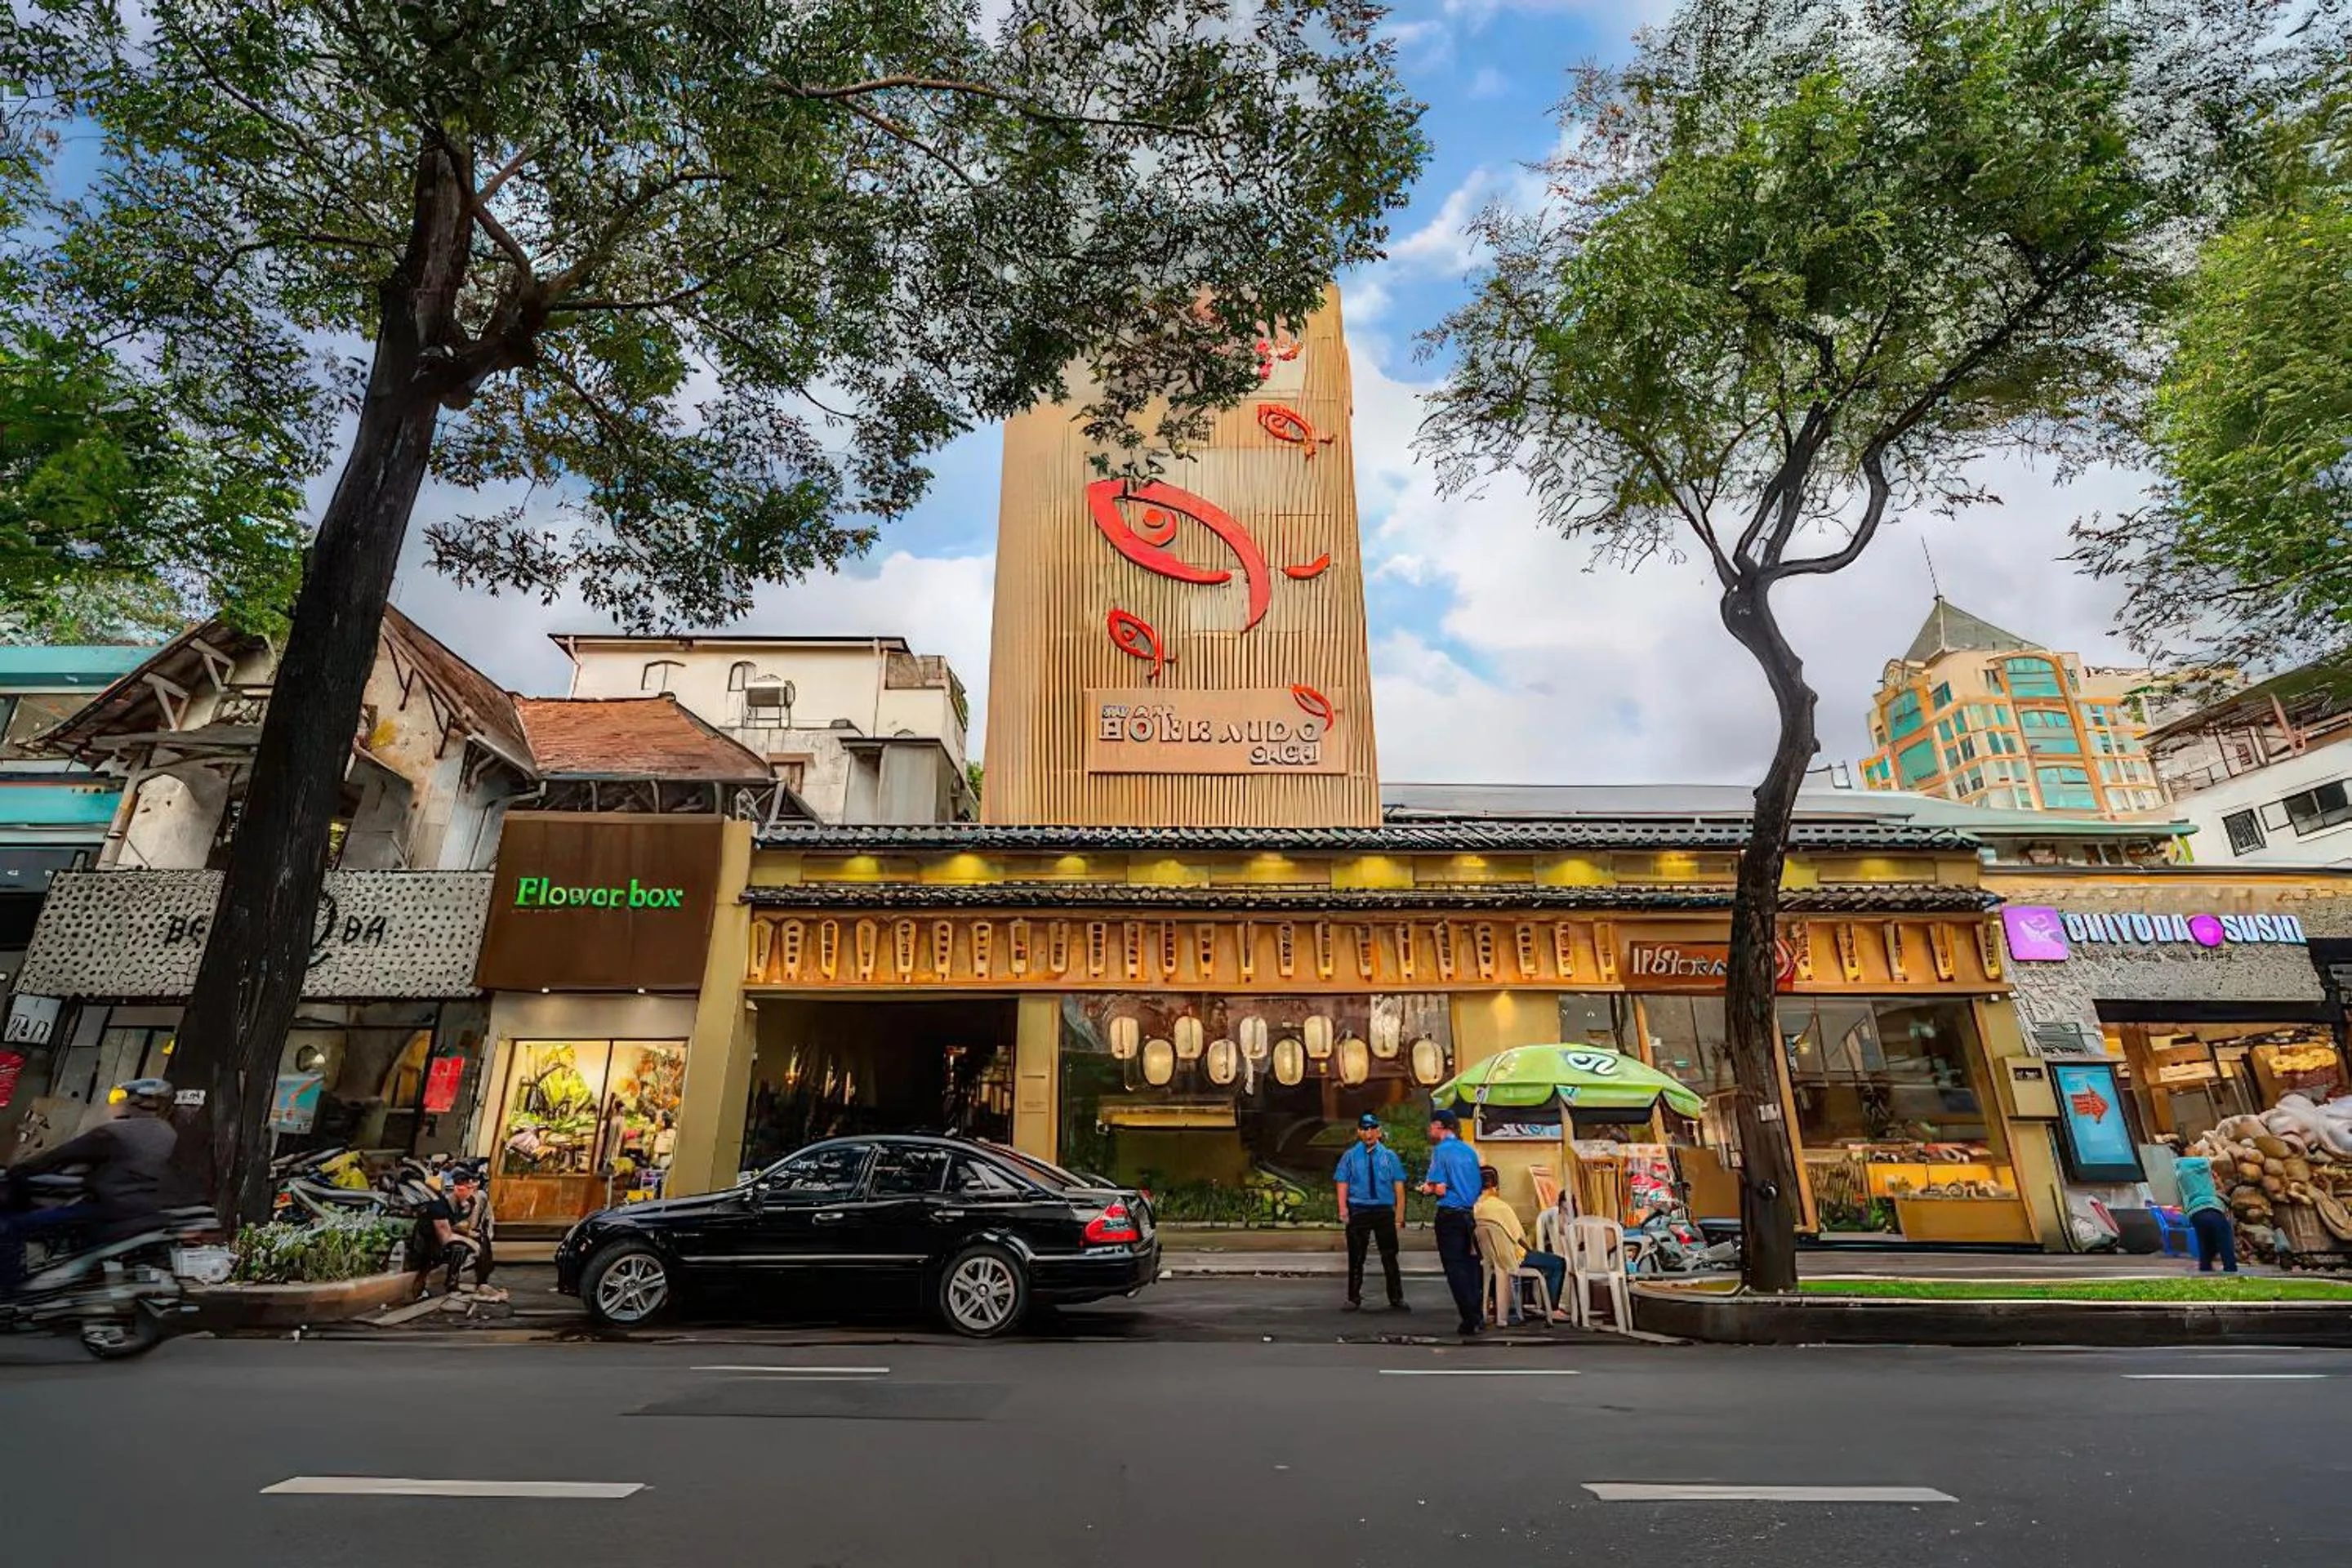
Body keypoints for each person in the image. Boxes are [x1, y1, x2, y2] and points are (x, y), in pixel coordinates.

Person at [1, 1077, 179, 1296]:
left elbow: (62, 1155)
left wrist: (20, 1169)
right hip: (150, 1213)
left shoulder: (116, 1133)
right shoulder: (168, 1134)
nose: (120, 1103)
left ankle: (11, 1292)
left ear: (139, 1101)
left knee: (10, 1227)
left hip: (108, 1211)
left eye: (124, 1098)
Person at [1417, 1107, 1486, 1337]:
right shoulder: (1469, 1152)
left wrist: (1426, 1189)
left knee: (1455, 1268)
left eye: (1431, 1126)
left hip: (1450, 1215)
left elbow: (1439, 1187)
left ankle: (1469, 1319)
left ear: (1439, 1126)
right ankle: (1478, 1313)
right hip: (1470, 1214)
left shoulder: (1441, 1152)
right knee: (1472, 1266)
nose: (1430, 1130)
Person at [1333, 1112, 1409, 1312]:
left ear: (1378, 1131)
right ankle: (1353, 1297)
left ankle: (1396, 1297)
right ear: (1359, 1132)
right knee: (1356, 1257)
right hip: (1359, 1209)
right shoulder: (1350, 1156)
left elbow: (1399, 1186)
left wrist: (1399, 1216)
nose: (1369, 1134)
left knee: (1390, 1256)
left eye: (1372, 1129)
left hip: (1384, 1210)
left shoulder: (1389, 1156)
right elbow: (1342, 1182)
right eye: (1364, 1129)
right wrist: (1343, 1209)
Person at [1473, 1165, 1570, 1322]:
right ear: (1496, 1186)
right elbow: (1520, 1238)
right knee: (1558, 1263)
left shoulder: (1475, 1208)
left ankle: (1495, 1305)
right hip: (1513, 1257)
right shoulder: (1500, 1207)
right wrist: (1530, 1249)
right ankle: (1552, 1308)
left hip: (1491, 1259)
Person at [2173, 1145, 2238, 1275]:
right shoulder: (2189, 1164)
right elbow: (2214, 1160)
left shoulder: (2185, 1170)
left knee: (2207, 1242)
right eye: (2191, 1148)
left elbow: (2218, 1187)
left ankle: (2205, 1269)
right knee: (2224, 1237)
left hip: (2195, 1211)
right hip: (2207, 1207)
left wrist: (2217, 1182)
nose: (2196, 1149)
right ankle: (2230, 1270)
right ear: (2185, 1154)